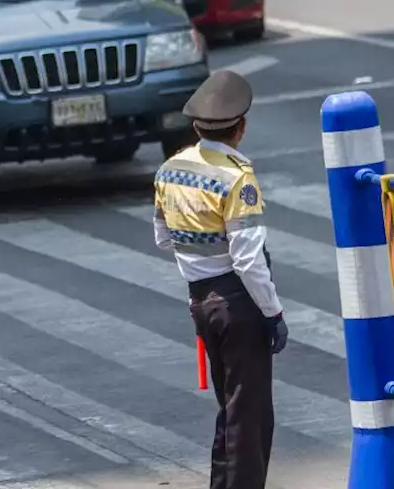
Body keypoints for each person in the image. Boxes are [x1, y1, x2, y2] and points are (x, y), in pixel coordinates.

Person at [150, 70, 289, 489]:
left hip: (200, 303)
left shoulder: (170, 171)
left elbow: (162, 237)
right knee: (250, 418)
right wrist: (273, 313)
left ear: (196, 126)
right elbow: (248, 260)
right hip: (238, 304)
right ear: (240, 128)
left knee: (230, 409)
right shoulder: (236, 177)